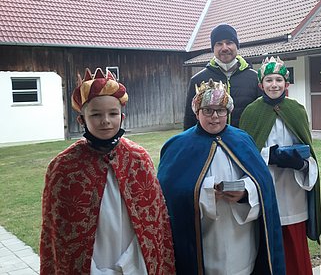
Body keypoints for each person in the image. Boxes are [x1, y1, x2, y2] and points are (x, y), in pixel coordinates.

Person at [40, 68, 175, 274]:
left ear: (122, 116)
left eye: (113, 114)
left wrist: (134, 261)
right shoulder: (64, 167)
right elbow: (59, 235)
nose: (106, 120)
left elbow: (154, 222)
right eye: (96, 114)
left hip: (135, 258)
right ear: (82, 120)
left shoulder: (138, 158)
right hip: (91, 261)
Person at [158, 79, 285, 274]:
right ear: (197, 112)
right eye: (207, 110)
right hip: (204, 239)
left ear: (229, 111)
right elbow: (169, 196)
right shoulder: (177, 146)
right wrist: (206, 193)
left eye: (221, 110)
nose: (215, 116)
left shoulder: (243, 139)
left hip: (241, 237)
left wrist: (246, 191)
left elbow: (263, 183)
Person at [239, 56, 321, 275]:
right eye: (268, 80)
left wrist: (301, 164)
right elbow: (245, 156)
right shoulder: (251, 113)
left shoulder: (297, 110)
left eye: (278, 80)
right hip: (267, 190)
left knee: (295, 249)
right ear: (260, 84)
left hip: (293, 193)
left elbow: (308, 152)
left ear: (287, 83)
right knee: (268, 245)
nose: (273, 84)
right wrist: (269, 156)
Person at [183, 23, 260, 129]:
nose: (224, 48)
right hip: (210, 144)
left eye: (229, 42)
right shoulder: (198, 80)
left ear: (236, 46)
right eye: (219, 44)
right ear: (213, 48)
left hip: (244, 143)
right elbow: (190, 121)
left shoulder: (255, 78)